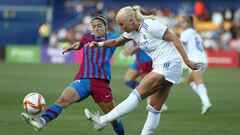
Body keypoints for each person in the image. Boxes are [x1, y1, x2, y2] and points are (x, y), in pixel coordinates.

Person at [84, 6, 201, 135]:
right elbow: (116, 42)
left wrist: (187, 61)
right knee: (154, 108)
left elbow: (175, 38)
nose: (120, 27)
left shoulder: (150, 25)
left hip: (169, 64)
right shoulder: (132, 32)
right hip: (163, 66)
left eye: (122, 24)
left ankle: (102, 120)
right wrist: (99, 44)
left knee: (136, 94)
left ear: (131, 21)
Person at [21, 15, 125, 135]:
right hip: (82, 80)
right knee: (62, 100)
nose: (96, 29)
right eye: (94, 26)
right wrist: (71, 47)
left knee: (114, 119)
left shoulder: (113, 38)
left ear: (105, 27)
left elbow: (126, 37)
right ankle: (41, 121)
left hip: (100, 82)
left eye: (99, 26)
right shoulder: (87, 37)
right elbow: (79, 44)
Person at [179, 15, 212, 115]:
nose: (181, 23)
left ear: (188, 23)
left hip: (195, 60)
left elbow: (180, 45)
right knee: (190, 81)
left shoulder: (185, 33)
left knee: (198, 82)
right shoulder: (196, 33)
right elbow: (203, 47)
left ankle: (206, 102)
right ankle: (205, 97)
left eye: (183, 21)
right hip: (202, 59)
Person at [123, 41, 168, 112]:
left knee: (147, 83)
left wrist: (134, 49)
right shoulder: (131, 32)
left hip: (146, 59)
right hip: (138, 59)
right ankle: (149, 94)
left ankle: (156, 102)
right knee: (128, 80)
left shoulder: (142, 30)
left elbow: (147, 41)